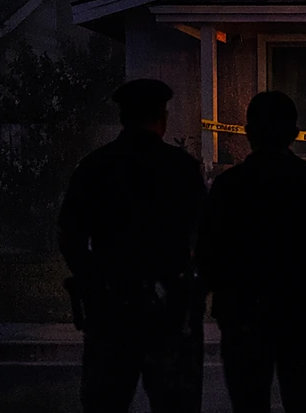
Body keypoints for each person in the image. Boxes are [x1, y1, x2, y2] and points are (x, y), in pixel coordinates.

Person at [197, 91, 306, 413]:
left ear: (248, 132)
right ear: (294, 133)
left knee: (248, 402)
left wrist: (228, 286)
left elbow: (206, 252)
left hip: (243, 314)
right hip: (300, 315)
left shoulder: (229, 187)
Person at [58, 78, 207, 413]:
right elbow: (206, 234)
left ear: (123, 117)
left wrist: (91, 279)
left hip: (112, 308)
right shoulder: (181, 169)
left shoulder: (96, 167)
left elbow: (69, 234)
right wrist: (193, 284)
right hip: (170, 310)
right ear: (162, 117)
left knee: (106, 401)